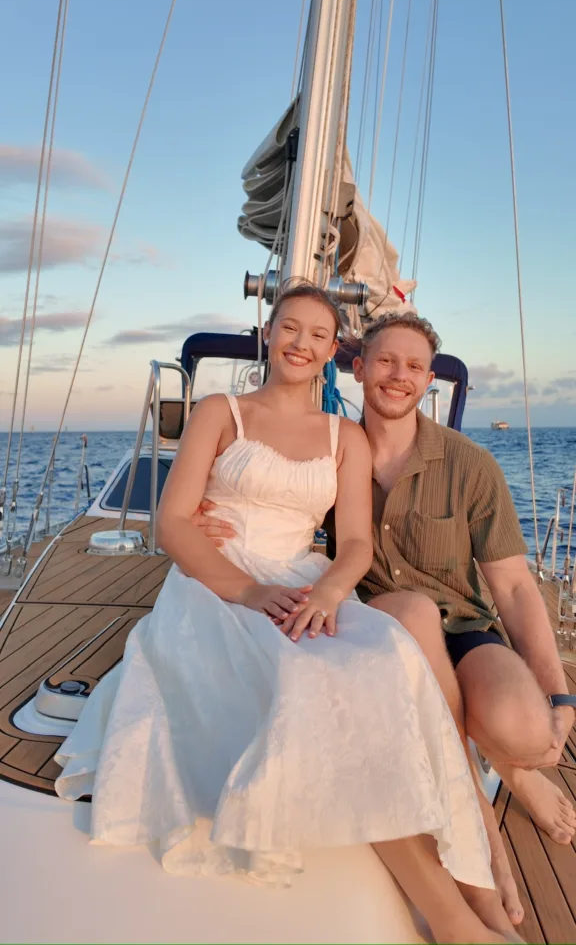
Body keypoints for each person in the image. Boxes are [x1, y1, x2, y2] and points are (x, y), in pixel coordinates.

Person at [54, 284, 518, 945]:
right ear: (267, 334)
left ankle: (481, 891)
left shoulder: (344, 437)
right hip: (217, 585)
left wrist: (329, 592)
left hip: (306, 580)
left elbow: (355, 543)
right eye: (289, 328)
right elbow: (174, 525)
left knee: (387, 661)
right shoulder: (220, 413)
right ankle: (452, 921)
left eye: (318, 335)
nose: (301, 343)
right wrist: (243, 590)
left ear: (335, 352)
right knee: (315, 685)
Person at [196, 309, 576, 929]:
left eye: (415, 366)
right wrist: (216, 513)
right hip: (386, 623)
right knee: (412, 614)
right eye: (386, 362)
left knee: (532, 734)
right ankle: (480, 824)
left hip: (465, 630)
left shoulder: (470, 464)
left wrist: (558, 690)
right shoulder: (329, 451)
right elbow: (276, 509)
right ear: (359, 367)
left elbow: (511, 585)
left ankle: (512, 767)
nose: (399, 376)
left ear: (431, 380)